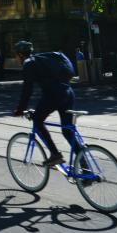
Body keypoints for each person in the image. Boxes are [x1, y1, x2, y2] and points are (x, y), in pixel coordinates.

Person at [11, 40, 77, 169]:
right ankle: (85, 167)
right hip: (68, 93)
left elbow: (27, 90)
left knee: (37, 121)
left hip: (53, 96)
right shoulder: (42, 60)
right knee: (68, 131)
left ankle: (55, 154)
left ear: (20, 55)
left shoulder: (28, 64)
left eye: (16, 55)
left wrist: (20, 109)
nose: (15, 58)